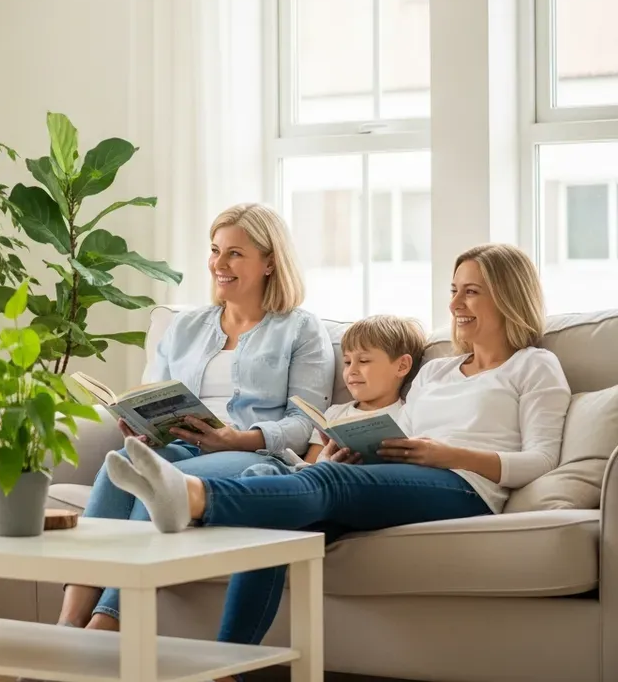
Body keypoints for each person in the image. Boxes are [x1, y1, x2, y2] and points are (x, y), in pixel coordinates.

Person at [103, 243, 570, 682]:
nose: (455, 305)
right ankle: (227, 670)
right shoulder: (437, 369)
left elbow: (542, 459)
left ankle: (192, 495)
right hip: (400, 473)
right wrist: (341, 447)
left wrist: (446, 454)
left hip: (463, 485)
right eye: (453, 290)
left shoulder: (534, 365)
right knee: (273, 508)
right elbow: (398, 433)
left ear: (508, 297)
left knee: (333, 482)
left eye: (472, 291)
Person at [55, 203, 335, 634]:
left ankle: (106, 626)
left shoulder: (300, 329)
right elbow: (151, 393)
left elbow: (306, 423)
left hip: (251, 455)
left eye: (234, 254)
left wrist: (236, 439)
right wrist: (139, 424)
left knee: (154, 478)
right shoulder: (184, 327)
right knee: (120, 468)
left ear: (269, 261)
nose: (218, 264)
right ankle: (68, 625)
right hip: (178, 446)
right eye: (214, 250)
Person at [243, 314, 427, 474]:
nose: (351, 371)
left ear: (402, 366)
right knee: (263, 469)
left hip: (364, 488)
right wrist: (326, 463)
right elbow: (312, 463)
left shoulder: (409, 416)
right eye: (347, 362)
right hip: (319, 478)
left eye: (363, 361)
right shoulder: (334, 414)